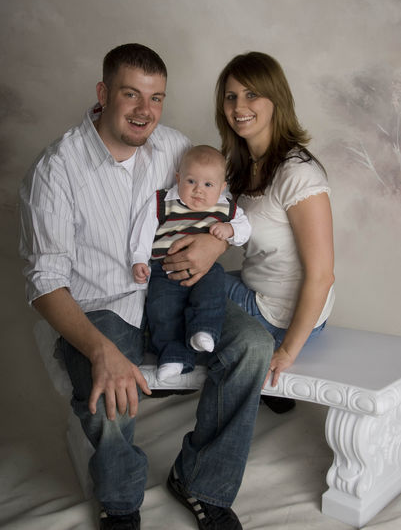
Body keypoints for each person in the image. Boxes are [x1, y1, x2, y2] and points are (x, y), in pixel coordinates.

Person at [19, 43, 274, 530]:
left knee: (254, 346)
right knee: (107, 380)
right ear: (103, 93)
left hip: (177, 289)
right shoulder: (55, 170)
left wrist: (214, 244)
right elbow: (45, 283)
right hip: (100, 307)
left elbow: (216, 201)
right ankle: (120, 503)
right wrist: (100, 350)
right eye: (131, 94)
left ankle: (200, 482)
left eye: (156, 98)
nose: (145, 111)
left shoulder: (175, 148)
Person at [215, 51, 335, 413]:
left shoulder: (298, 173)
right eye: (231, 96)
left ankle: (181, 365)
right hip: (260, 294)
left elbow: (322, 275)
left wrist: (286, 353)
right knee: (188, 275)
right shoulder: (244, 166)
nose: (239, 107)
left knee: (180, 283)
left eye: (252, 94)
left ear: (276, 99)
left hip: (283, 316)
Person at [131, 145, 251, 381]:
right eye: (191, 181)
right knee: (162, 310)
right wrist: (139, 259)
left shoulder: (225, 207)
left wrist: (230, 230)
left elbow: (245, 228)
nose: (198, 190)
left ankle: (204, 330)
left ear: (222, 187)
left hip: (205, 271)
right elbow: (143, 231)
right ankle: (173, 357)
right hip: (165, 269)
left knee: (212, 291)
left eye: (208, 185)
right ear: (178, 179)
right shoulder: (163, 201)